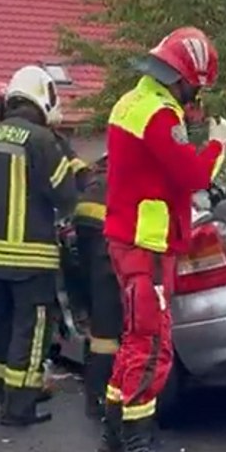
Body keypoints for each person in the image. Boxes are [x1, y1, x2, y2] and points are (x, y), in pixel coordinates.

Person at [101, 26, 226, 452]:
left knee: (134, 338)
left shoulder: (132, 103)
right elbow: (193, 176)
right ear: (185, 79)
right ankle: (137, 449)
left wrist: (188, 126)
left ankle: (115, 435)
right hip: (149, 244)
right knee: (152, 344)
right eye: (196, 87)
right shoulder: (159, 115)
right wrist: (218, 143)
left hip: (128, 240)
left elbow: (153, 164)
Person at [0, 65, 77, 426]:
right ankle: (20, 408)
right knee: (32, 331)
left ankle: (4, 392)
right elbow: (66, 195)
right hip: (32, 256)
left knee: (3, 326)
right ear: (42, 95)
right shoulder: (41, 140)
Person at [64, 150, 123, 420]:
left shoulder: (95, 174)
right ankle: (100, 397)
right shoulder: (125, 174)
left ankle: (97, 394)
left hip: (86, 244)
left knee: (101, 324)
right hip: (106, 246)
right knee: (108, 330)